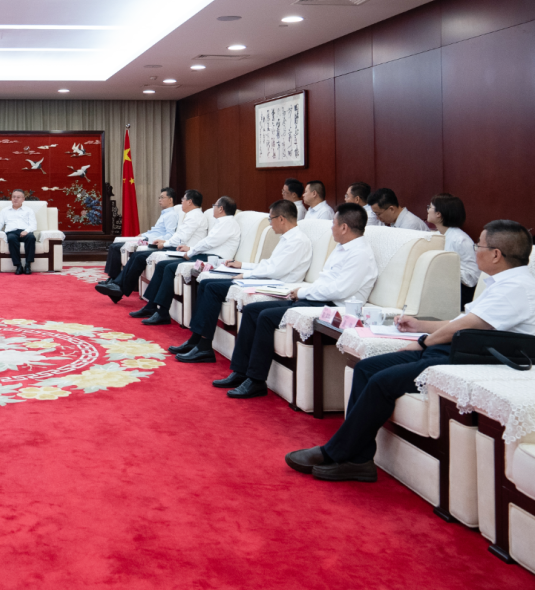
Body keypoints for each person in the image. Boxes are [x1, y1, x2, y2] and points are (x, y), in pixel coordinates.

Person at [286, 220, 535, 482]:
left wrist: (423, 341)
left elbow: (465, 326)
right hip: (456, 350)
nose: (475, 251)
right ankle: (359, 459)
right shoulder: (504, 282)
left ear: (496, 254)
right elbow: (462, 323)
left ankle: (336, 453)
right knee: (366, 368)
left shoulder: (516, 288)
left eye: (479, 245)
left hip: (472, 361)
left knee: (381, 381)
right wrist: (419, 325)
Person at [213, 203, 378, 399]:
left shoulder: (360, 254)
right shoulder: (342, 248)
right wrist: (303, 292)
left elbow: (339, 290)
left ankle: (256, 380)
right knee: (252, 310)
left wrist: (303, 292)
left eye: (333, 223)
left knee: (266, 317)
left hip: (333, 307)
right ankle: (240, 372)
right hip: (318, 298)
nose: (331, 227)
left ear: (344, 227)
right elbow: (325, 282)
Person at [171, 200, 313, 362]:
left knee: (212, 288)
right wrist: (243, 266)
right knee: (205, 284)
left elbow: (275, 270)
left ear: (281, 219)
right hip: (268, 279)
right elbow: (269, 265)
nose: (270, 223)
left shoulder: (297, 241)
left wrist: (245, 275)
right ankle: (196, 339)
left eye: (271, 219)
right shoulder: (287, 238)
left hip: (277, 285)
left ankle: (204, 346)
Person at [131, 196, 242, 325]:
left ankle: (162, 313)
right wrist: (191, 249)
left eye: (214, 206)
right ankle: (151, 306)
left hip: (214, 259)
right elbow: (208, 243)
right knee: (162, 265)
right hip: (206, 254)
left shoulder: (228, 223)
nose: (213, 208)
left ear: (221, 209)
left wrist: (190, 252)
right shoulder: (222, 222)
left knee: (170, 267)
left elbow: (209, 243)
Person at [96, 190, 208, 303]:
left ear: (190, 202)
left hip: (181, 250)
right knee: (137, 255)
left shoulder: (194, 216)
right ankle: (117, 286)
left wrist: (165, 243)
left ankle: (118, 287)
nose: (181, 201)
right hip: (177, 247)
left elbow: (181, 238)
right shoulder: (190, 215)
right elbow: (178, 236)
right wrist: (165, 241)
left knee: (140, 257)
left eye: (183, 199)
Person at [102, 187, 179, 282]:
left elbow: (170, 234)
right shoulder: (165, 213)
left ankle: (114, 279)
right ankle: (112, 278)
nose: (159, 200)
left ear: (170, 200)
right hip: (147, 238)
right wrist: (143, 234)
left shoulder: (171, 215)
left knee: (116, 248)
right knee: (114, 246)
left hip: (152, 241)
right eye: (159, 197)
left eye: (162, 197)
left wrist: (150, 238)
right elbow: (156, 230)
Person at [427, 194, 479, 307]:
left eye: (430, 207)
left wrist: (445, 268)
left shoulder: (460, 239)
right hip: (444, 287)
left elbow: (472, 278)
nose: (427, 210)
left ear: (438, 214)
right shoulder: (437, 235)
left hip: (460, 293)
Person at [0, 189, 38, 275]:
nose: (15, 199)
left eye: (18, 197)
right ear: (11, 198)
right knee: (11, 239)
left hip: (25, 231)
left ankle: (28, 265)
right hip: (12, 232)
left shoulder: (29, 210)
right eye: (13, 197)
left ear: (23, 199)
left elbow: (33, 225)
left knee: (31, 238)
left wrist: (26, 231)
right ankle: (18, 265)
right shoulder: (5, 210)